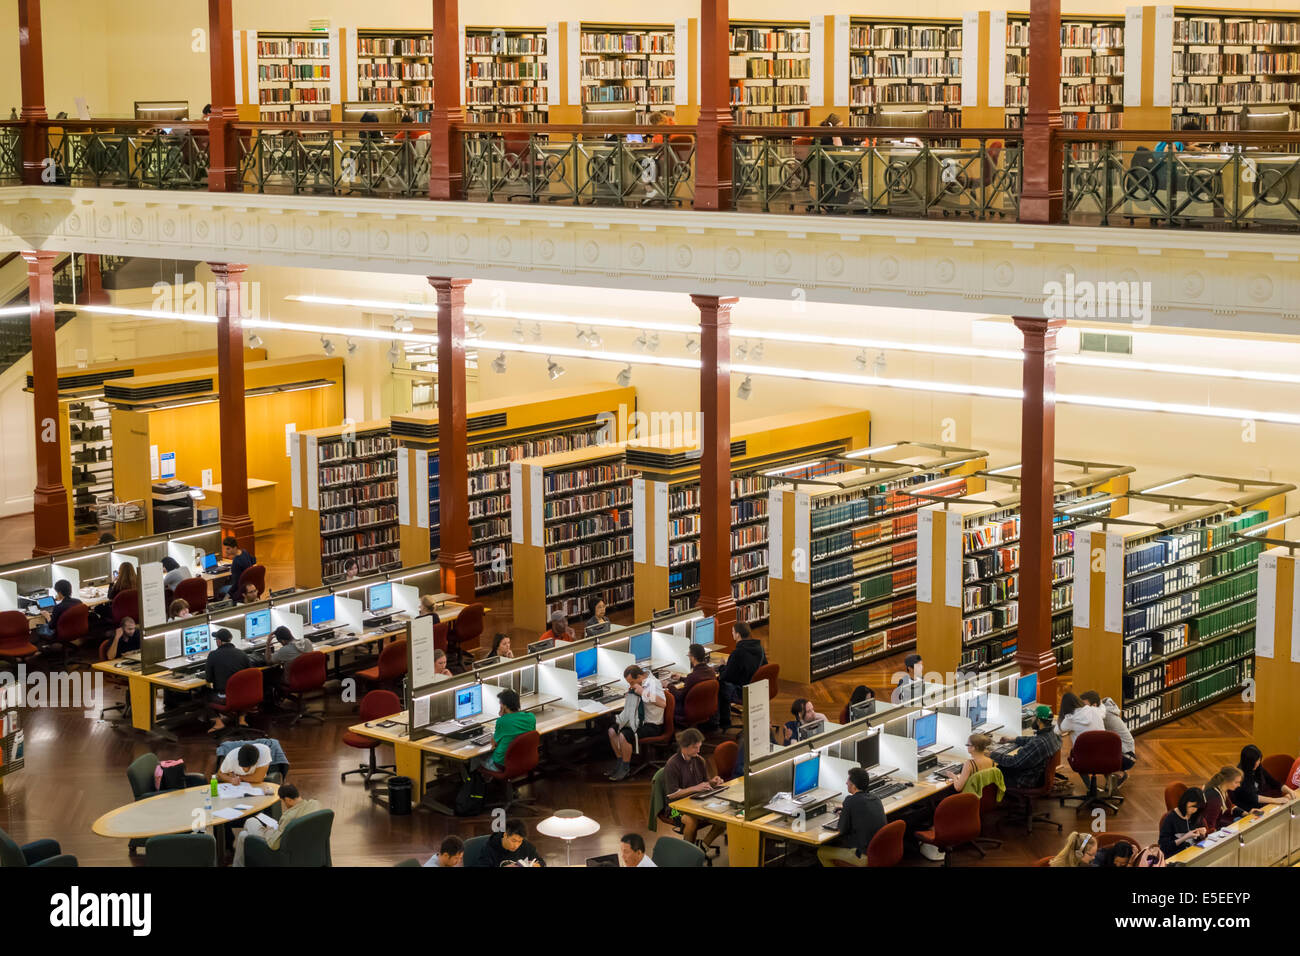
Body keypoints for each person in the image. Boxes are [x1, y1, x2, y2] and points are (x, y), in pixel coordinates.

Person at [662, 728, 726, 849]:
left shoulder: (699, 760)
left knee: (725, 816)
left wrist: (713, 782)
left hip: (696, 802)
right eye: (695, 748)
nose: (698, 750)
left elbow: (704, 783)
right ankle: (688, 853)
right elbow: (671, 795)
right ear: (684, 747)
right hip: (675, 808)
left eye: (699, 747)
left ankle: (703, 846)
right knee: (691, 821)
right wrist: (695, 788)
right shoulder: (672, 765)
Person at [232, 783, 320, 867]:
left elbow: (274, 844)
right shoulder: (315, 804)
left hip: (278, 850)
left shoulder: (289, 817)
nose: (284, 805)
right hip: (303, 845)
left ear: (288, 799)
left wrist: (269, 830)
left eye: (283, 801)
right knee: (243, 835)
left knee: (250, 821)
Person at [817, 767, 886, 867]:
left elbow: (842, 829)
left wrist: (844, 814)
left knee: (821, 851)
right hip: (880, 853)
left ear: (853, 785)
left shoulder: (850, 801)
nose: (846, 783)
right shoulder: (876, 798)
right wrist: (847, 813)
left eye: (848, 780)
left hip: (863, 856)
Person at [607, 664, 667, 781]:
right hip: (637, 721)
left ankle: (625, 768)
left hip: (652, 724)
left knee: (624, 735)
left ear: (640, 676)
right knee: (612, 731)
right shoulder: (639, 683)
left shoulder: (652, 684)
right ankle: (620, 763)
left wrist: (643, 692)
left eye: (632, 682)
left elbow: (662, 703)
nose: (631, 685)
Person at [991, 705, 1061, 790]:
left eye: (1033, 717)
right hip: (1039, 777)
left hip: (1027, 780)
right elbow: (1034, 739)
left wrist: (992, 754)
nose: (1032, 720)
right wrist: (1014, 739)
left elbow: (1014, 762)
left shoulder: (1037, 744)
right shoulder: (1053, 735)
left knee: (994, 770)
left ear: (1038, 721)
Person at [1079, 689, 1136, 790]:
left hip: (1126, 756)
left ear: (1094, 705)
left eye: (1085, 706)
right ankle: (1112, 778)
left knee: (1086, 756)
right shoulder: (1101, 711)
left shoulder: (1103, 716)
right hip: (1124, 752)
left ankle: (1118, 775)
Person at [471, 689, 535, 774]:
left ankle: (472, 784)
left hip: (502, 764)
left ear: (503, 705)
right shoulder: (530, 717)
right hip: (524, 759)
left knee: (474, 758)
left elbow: (494, 744)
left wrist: (501, 715)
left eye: (500, 703)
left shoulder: (502, 721)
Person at [717, 621, 766, 730]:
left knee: (718, 684)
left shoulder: (738, 653)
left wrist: (721, 667)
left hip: (742, 691)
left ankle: (724, 722)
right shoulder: (760, 648)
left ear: (738, 634)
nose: (732, 634)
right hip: (757, 688)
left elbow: (727, 677)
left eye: (733, 632)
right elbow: (764, 667)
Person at [206, 628, 252, 733]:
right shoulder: (242, 654)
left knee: (204, 695)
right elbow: (250, 673)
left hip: (226, 697)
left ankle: (218, 723)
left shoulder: (213, 655)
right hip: (245, 695)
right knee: (239, 688)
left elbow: (209, 679)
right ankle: (242, 719)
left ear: (218, 641)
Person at [1231, 744, 1296, 811]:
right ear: (1248, 762)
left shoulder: (1257, 767)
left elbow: (1273, 782)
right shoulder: (1240, 775)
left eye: (1259, 760)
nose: (1258, 763)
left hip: (1260, 805)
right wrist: (1275, 800)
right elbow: (1252, 797)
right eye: (1255, 761)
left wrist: (1289, 790)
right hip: (1247, 809)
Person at [1159, 787, 1208, 858]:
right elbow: (1164, 847)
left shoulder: (1196, 815)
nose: (1195, 810)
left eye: (1197, 807)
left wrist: (1202, 834)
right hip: (1176, 858)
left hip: (1193, 855)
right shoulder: (1170, 818)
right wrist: (1184, 837)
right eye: (1192, 806)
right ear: (1185, 802)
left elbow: (1201, 841)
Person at [476, 818, 545, 867]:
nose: (516, 845)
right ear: (505, 835)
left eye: (520, 841)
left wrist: (536, 865)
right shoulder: (489, 847)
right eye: (513, 841)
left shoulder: (525, 845)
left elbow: (542, 862)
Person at [35, 579, 82, 644]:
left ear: (59, 592)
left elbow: (51, 626)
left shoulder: (58, 607)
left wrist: (47, 616)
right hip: (77, 629)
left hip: (62, 633)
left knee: (38, 629)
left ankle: (43, 648)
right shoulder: (78, 602)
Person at [670, 642, 715, 710]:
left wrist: (669, 685)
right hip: (704, 708)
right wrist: (681, 678)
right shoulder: (711, 671)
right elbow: (698, 679)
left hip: (690, 710)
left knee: (668, 698)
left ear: (693, 658)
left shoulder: (693, 676)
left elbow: (680, 696)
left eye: (689, 656)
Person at [1203, 765, 1244, 832]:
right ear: (1227, 781)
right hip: (1213, 830)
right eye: (1236, 782)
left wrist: (1246, 813)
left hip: (1220, 823)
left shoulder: (1222, 789)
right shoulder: (1215, 798)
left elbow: (1230, 806)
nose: (1239, 785)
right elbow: (1209, 824)